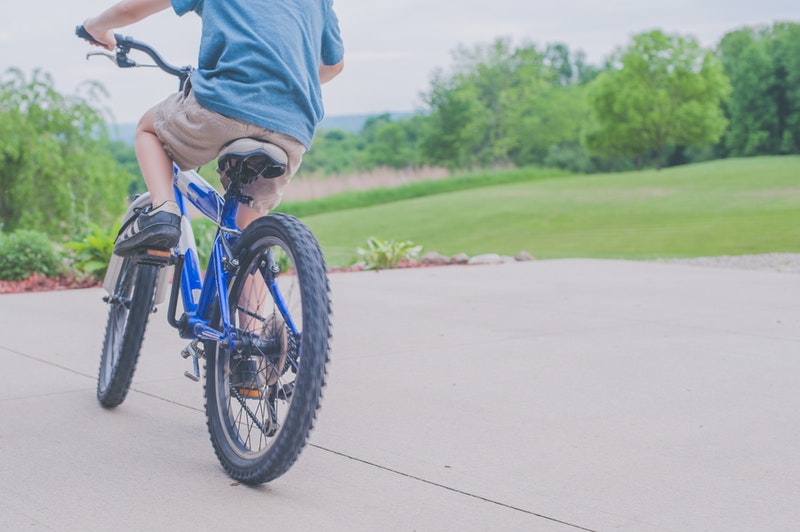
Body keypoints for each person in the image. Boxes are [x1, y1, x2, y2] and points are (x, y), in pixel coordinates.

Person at [81, 0, 344, 256]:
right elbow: (334, 65)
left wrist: (95, 27)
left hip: (225, 104)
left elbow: (129, 9)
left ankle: (163, 211)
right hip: (292, 126)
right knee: (247, 241)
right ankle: (251, 283)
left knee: (149, 129)